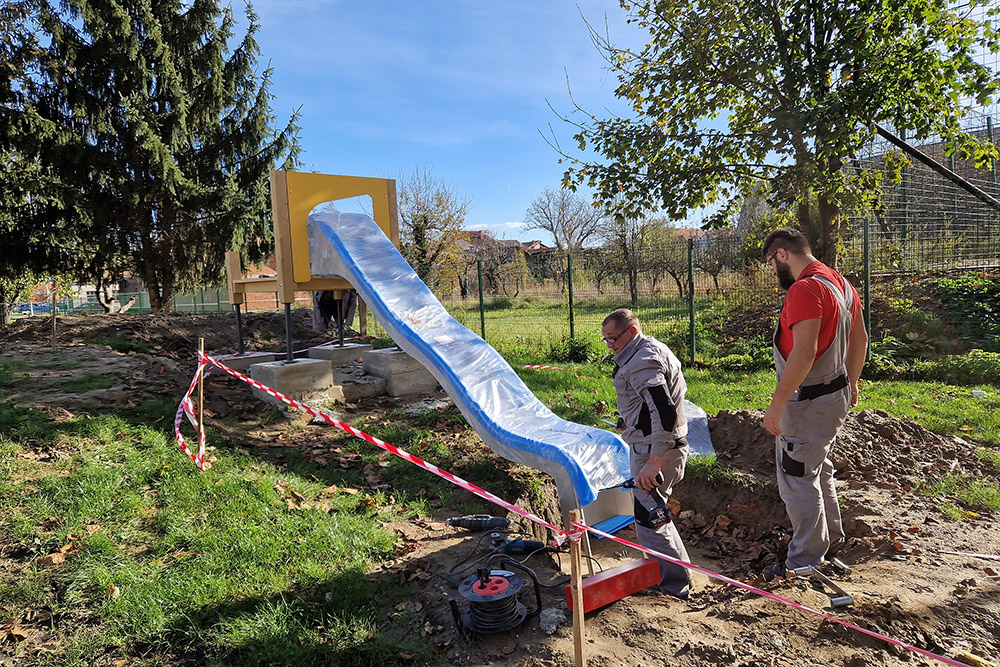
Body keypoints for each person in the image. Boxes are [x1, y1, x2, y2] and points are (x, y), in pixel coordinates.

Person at [759, 228, 868, 581]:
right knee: (817, 469)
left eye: (770, 264)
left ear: (781, 255)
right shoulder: (841, 284)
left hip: (807, 401)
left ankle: (804, 560)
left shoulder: (805, 289)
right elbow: (860, 338)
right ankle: (831, 539)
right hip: (833, 396)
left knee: (796, 477)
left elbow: (804, 351)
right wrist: (850, 382)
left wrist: (778, 404)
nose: (773, 272)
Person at [601, 308, 692, 599]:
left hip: (657, 451)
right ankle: (676, 575)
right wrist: (633, 420)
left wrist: (653, 463)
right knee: (655, 515)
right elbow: (656, 405)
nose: (610, 345)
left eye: (613, 338)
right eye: (605, 340)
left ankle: (673, 587)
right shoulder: (649, 348)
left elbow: (664, 411)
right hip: (658, 444)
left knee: (649, 518)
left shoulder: (642, 361)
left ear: (632, 331)